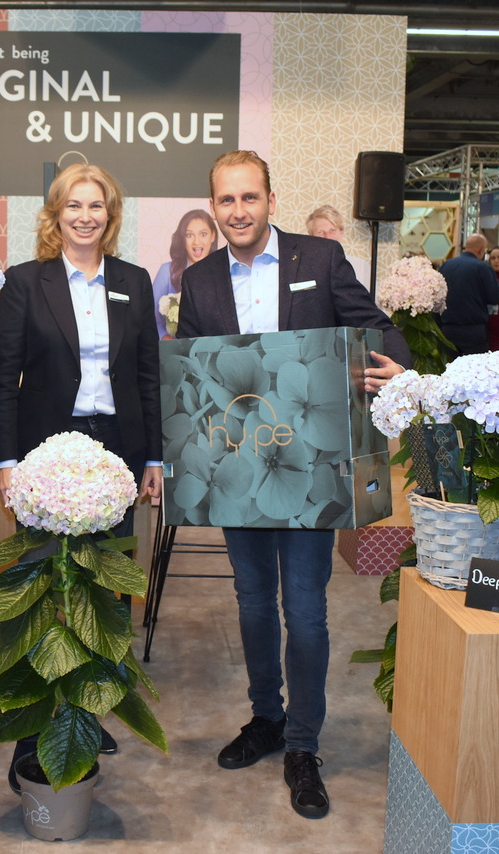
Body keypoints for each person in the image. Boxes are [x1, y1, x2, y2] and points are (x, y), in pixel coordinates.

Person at [176, 150, 410, 821]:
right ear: (214, 207)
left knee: (304, 610)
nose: (238, 211)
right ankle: (267, 719)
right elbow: (191, 368)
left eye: (249, 197)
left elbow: (375, 326)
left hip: (312, 463)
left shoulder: (321, 259)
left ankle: (304, 745)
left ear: (271, 201)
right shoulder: (200, 280)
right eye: (226, 200)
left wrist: (388, 365)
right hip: (240, 465)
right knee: (253, 602)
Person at [0, 163, 164, 790]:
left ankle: (87, 711)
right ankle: (32, 728)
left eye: (96, 206)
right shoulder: (24, 282)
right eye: (74, 206)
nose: (85, 217)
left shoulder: (134, 281)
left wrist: (154, 458)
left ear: (109, 215)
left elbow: (149, 376)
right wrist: (6, 463)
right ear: (55, 214)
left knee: (106, 589)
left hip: (119, 450)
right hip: (46, 452)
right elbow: (3, 380)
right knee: (45, 585)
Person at [151, 209, 218, 338]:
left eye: (203, 234)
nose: (197, 242)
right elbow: (150, 317)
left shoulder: (223, 272)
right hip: (174, 347)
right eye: (189, 235)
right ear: (182, 239)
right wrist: (167, 340)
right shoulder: (167, 271)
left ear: (213, 236)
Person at [437, 233, 498, 357]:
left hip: (448, 330)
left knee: (449, 366)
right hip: (474, 331)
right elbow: (494, 297)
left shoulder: (446, 266)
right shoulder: (483, 268)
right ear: (481, 250)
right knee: (475, 367)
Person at [305, 204, 372, 289]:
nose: (327, 237)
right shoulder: (302, 268)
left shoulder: (361, 266)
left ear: (341, 232)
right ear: (311, 237)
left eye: (332, 230)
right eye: (320, 232)